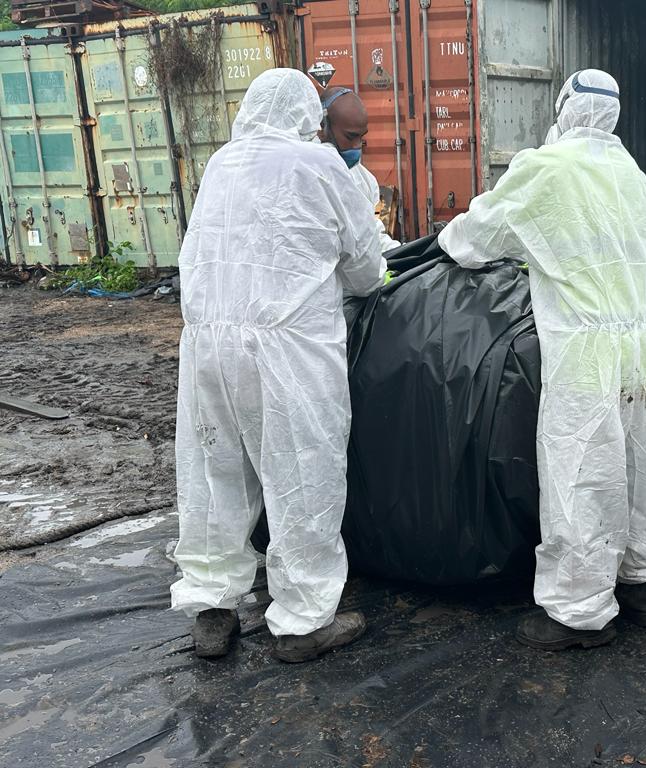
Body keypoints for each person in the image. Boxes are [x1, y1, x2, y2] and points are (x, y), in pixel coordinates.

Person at [438, 69, 646, 651]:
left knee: (584, 472)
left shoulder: (545, 168)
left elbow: (476, 239)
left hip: (586, 350)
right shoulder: (635, 176)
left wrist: (445, 241)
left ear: (565, 109)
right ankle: (644, 588)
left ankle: (578, 609)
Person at [169, 68, 387, 663]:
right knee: (301, 476)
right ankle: (301, 620)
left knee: (214, 473)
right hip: (287, 348)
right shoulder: (318, 165)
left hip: (208, 345)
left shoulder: (222, 163)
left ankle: (212, 608)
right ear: (306, 117)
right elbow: (367, 269)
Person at [320, 85, 402, 253]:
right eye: (350, 136)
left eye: (361, 137)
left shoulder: (363, 180)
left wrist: (403, 254)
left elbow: (372, 235)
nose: (357, 146)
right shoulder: (304, 176)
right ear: (323, 126)